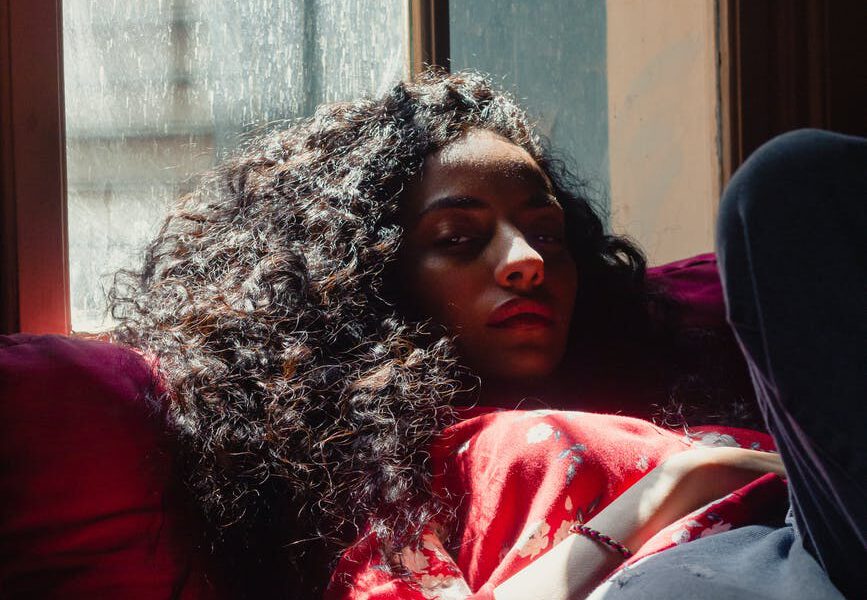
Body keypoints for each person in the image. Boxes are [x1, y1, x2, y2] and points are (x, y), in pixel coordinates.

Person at [108, 71, 865, 598]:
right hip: (729, 573)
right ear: (372, 281)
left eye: (547, 233)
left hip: (821, 533)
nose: (529, 262)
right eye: (460, 239)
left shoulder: (651, 392)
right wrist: (672, 485)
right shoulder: (391, 482)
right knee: (784, 186)